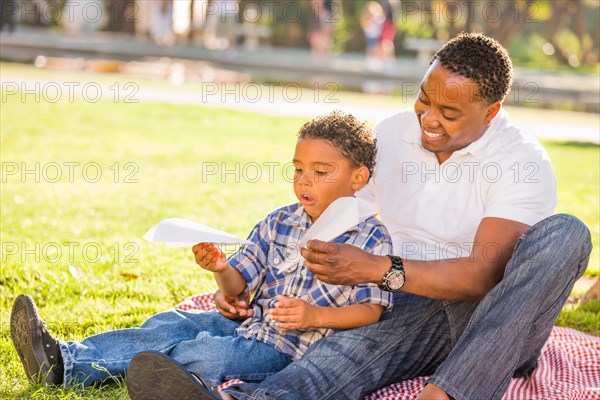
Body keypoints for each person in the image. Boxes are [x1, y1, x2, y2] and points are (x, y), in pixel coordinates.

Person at [126, 32, 593, 400]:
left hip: (490, 323)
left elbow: (480, 278)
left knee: (567, 233)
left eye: (449, 112)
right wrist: (254, 280)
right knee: (343, 350)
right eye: (424, 99)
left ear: (491, 112)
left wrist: (378, 270)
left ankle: (449, 393)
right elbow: (338, 219)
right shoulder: (393, 135)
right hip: (397, 300)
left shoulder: (521, 162)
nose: (428, 119)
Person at [10, 111, 393, 394]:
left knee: (205, 353)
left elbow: (371, 310)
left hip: (287, 350)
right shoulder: (281, 221)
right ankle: (65, 360)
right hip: (248, 324)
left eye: (321, 172)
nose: (304, 182)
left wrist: (315, 315)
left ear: (358, 178)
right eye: (298, 170)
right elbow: (239, 283)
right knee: (171, 323)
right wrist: (221, 268)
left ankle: (179, 381)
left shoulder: (371, 238)